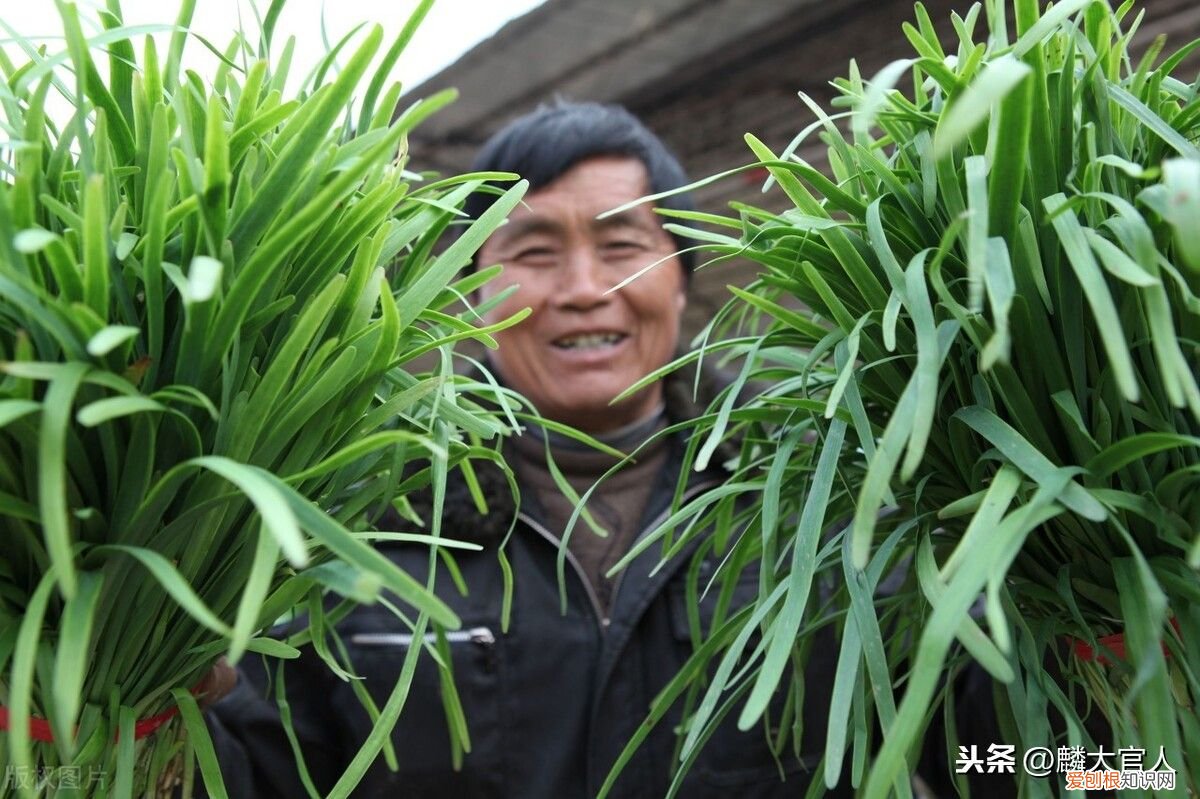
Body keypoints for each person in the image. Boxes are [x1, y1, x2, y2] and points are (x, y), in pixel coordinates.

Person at [203, 100, 848, 798]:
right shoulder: (363, 511)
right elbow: (258, 774)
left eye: (621, 246)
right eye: (535, 252)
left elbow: (940, 736)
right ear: (473, 288)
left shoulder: (820, 486)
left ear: (681, 274)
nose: (584, 290)